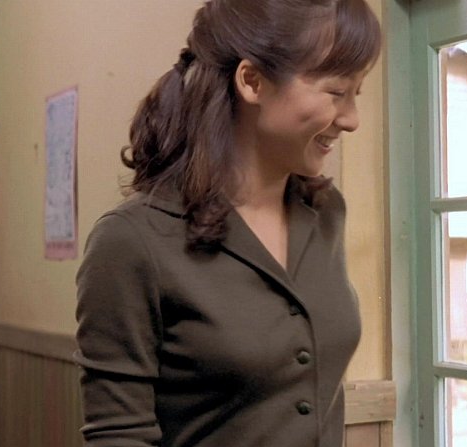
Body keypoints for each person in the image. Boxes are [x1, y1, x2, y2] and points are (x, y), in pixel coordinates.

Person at [74, 1, 381, 445]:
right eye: (336, 92)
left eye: (357, 94)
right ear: (252, 81)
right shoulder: (132, 241)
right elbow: (118, 436)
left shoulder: (327, 212)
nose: (352, 120)